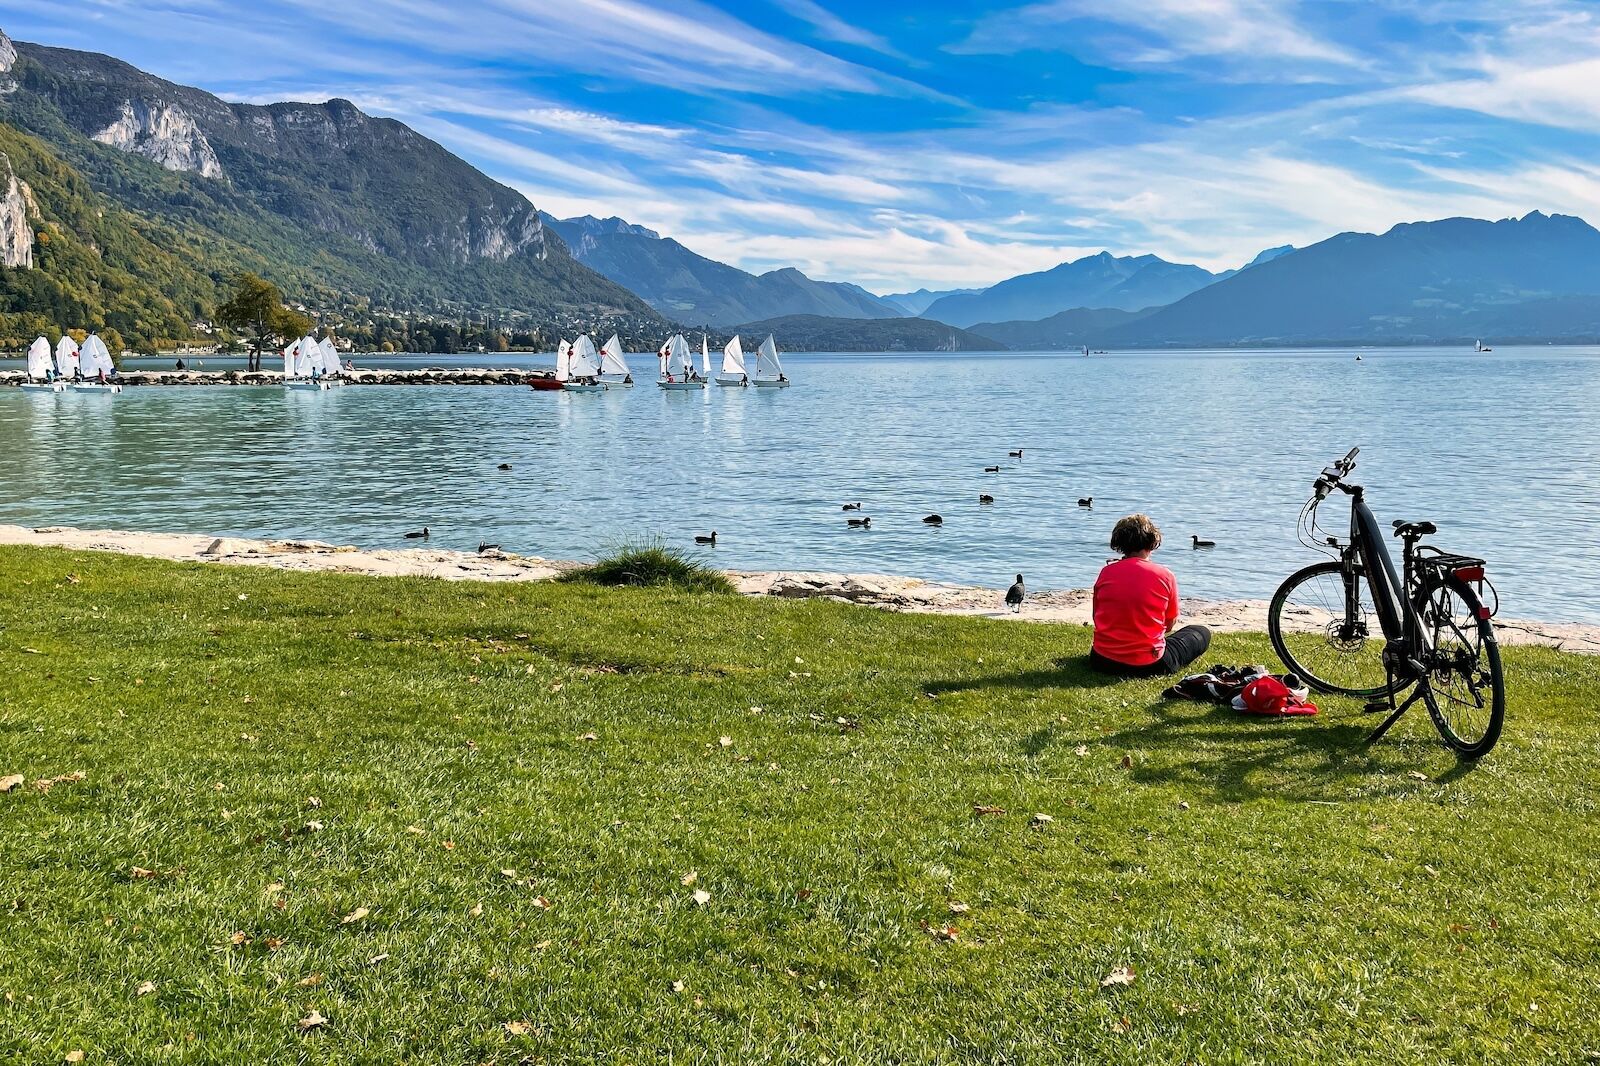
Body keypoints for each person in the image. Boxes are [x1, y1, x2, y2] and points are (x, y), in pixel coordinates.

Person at [1089, 513, 1211, 677]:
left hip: (1102, 659)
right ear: (1153, 542)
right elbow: (1169, 624)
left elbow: (1097, 616)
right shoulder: (1165, 575)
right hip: (1148, 663)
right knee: (1201, 632)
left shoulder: (1106, 572)